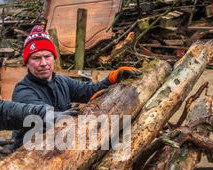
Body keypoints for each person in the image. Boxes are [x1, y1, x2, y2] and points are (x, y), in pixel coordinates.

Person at [11, 25, 142, 149]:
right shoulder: (23, 91)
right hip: (28, 152)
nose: (43, 63)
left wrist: (113, 77)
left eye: (47, 56)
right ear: (27, 62)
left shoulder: (62, 82)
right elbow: (42, 113)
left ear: (54, 58)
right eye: (36, 58)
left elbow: (90, 91)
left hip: (59, 146)